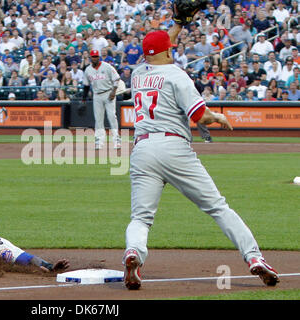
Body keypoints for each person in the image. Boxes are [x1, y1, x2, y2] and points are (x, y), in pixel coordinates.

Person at [123, 23, 279, 290]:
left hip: (142, 149)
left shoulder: (137, 74)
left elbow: (158, 47)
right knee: (218, 208)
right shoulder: (176, 74)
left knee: (141, 218)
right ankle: (254, 257)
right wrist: (217, 116)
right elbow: (199, 115)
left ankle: (133, 252)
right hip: (174, 148)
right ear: (168, 52)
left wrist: (177, 24)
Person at [82, 49, 121, 150]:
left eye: (96, 56)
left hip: (108, 93)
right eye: (93, 57)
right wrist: (83, 99)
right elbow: (86, 86)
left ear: (98, 57)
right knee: (98, 119)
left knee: (112, 116)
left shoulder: (107, 66)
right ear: (90, 58)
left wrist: (113, 91)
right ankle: (99, 140)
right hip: (97, 95)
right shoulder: (88, 70)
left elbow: (116, 78)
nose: (95, 58)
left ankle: (116, 139)